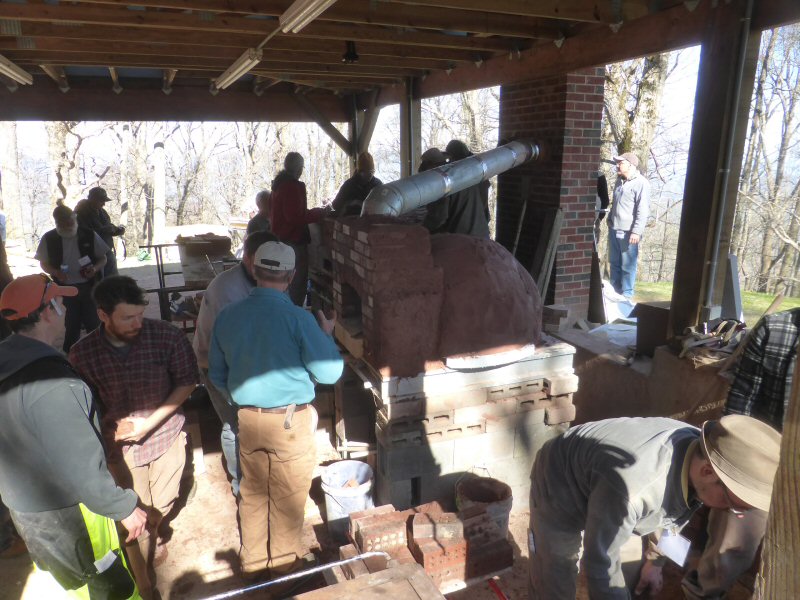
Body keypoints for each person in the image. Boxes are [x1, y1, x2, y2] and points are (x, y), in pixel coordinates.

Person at [0, 274, 147, 598]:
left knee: (68, 582)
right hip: (70, 512)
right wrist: (123, 506)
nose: (66, 312)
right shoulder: (54, 385)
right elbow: (81, 465)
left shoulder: (8, 362)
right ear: (49, 310)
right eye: (62, 304)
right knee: (108, 585)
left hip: (26, 509)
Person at [528, 415, 781, 600]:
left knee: (629, 577)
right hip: (559, 483)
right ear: (707, 472)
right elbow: (599, 562)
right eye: (734, 506)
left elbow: (671, 518)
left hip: (610, 493)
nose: (733, 513)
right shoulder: (634, 490)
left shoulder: (698, 457)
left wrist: (655, 563)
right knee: (556, 577)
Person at [209, 241, 343, 578]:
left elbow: (217, 375)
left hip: (248, 419)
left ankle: (254, 567)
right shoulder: (299, 319)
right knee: (286, 499)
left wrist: (244, 400)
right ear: (292, 275)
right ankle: (282, 574)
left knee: (253, 495)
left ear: (254, 270)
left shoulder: (227, 317)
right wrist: (326, 335)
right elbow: (330, 373)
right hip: (289, 423)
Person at [69, 275, 199, 597]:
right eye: (128, 317)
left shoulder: (166, 337)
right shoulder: (81, 355)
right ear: (103, 315)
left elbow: (186, 382)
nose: (137, 323)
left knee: (163, 505)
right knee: (134, 517)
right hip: (121, 450)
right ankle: (144, 583)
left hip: (166, 436)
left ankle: (155, 532)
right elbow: (86, 407)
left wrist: (148, 424)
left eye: (140, 314)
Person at [682, 307, 799, 600]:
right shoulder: (777, 330)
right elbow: (739, 406)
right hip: (761, 463)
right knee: (727, 546)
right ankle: (703, 592)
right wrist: (732, 478)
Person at [192, 230, 277, 496]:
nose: (269, 271)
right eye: (263, 265)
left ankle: (260, 474)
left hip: (242, 361)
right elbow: (236, 350)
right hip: (216, 364)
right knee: (235, 425)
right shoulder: (228, 292)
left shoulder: (260, 281)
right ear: (249, 259)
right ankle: (242, 485)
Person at [35, 203, 108, 352]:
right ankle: (71, 351)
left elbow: (103, 258)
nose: (68, 226)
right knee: (70, 322)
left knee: (93, 320)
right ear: (57, 223)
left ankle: (99, 350)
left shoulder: (89, 234)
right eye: (63, 224)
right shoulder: (49, 238)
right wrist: (56, 272)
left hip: (89, 286)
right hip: (63, 289)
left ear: (75, 218)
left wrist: (94, 268)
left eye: (70, 222)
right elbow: (43, 263)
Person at [270, 152, 328, 306]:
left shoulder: (278, 185)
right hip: (293, 242)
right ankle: (294, 317)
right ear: (299, 169)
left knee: (284, 283)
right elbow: (295, 217)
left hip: (281, 240)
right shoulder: (291, 186)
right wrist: (320, 213)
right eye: (302, 167)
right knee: (296, 285)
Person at [423, 140, 491, 238]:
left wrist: (421, 230)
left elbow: (438, 217)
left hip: (464, 239)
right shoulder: (475, 172)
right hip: (481, 233)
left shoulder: (447, 180)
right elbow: (483, 205)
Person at [607, 152, 650, 298]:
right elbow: (615, 205)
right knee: (614, 263)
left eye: (620, 163)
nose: (617, 165)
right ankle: (614, 294)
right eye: (617, 163)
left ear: (630, 165)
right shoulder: (619, 181)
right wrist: (609, 220)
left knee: (627, 266)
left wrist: (636, 232)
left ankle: (626, 297)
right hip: (614, 229)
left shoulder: (641, 183)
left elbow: (642, 210)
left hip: (628, 233)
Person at [76, 187, 126, 277]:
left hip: (106, 250)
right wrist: (103, 230)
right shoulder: (80, 214)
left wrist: (117, 230)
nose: (103, 204)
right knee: (98, 279)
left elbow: (108, 226)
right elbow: (82, 233)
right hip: (91, 253)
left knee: (112, 278)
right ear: (92, 200)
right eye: (101, 201)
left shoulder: (102, 212)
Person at [331, 151, 383, 217]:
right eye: (367, 172)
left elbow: (383, 205)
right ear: (360, 172)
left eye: (372, 172)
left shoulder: (377, 184)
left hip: (372, 221)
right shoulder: (348, 186)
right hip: (351, 222)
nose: (370, 175)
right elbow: (335, 207)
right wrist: (350, 203)